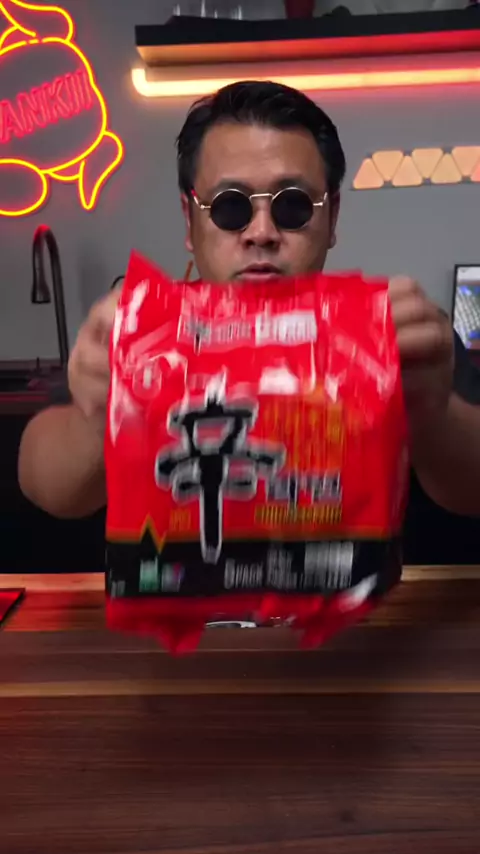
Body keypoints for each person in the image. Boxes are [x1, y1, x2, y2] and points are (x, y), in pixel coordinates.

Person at [17, 80, 480, 519]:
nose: (261, 232)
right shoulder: (146, 335)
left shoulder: (392, 332)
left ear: (332, 216)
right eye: (231, 206)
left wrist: (435, 417)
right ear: (190, 220)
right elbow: (45, 484)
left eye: (292, 205)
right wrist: (95, 423)